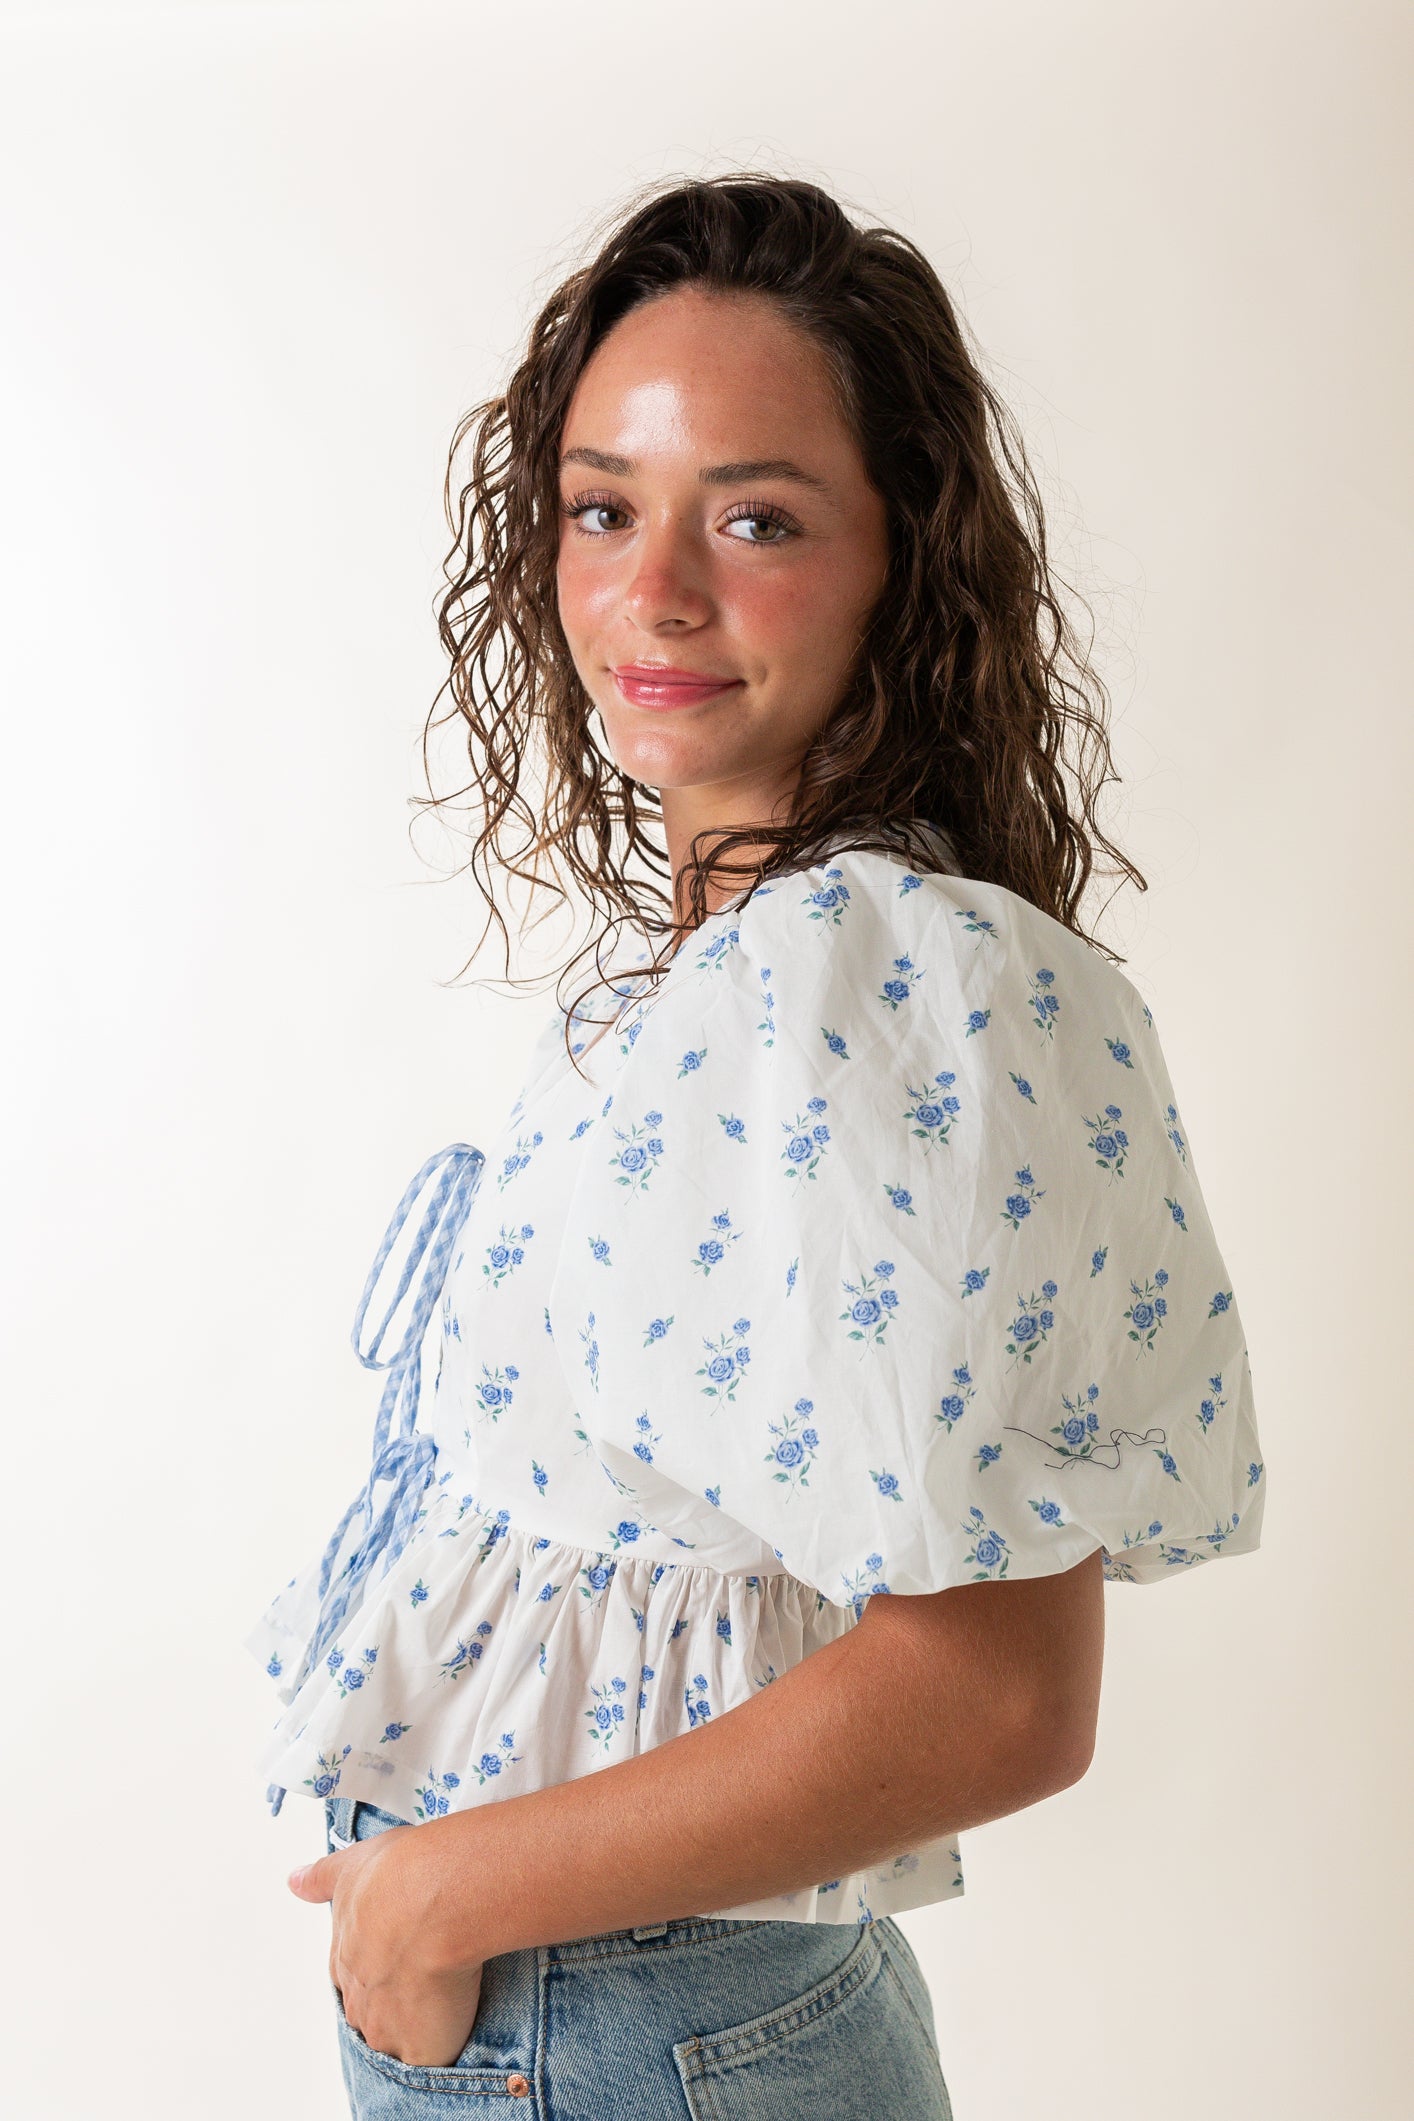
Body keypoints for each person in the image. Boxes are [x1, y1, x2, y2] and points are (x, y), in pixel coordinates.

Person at [246, 173, 1267, 2119]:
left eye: (756, 516)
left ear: (901, 552)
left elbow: (995, 1690)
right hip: (624, 2012)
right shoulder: (760, 963)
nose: (653, 591)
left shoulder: (871, 972)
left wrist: (442, 1895)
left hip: (627, 2022)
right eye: (601, 507)